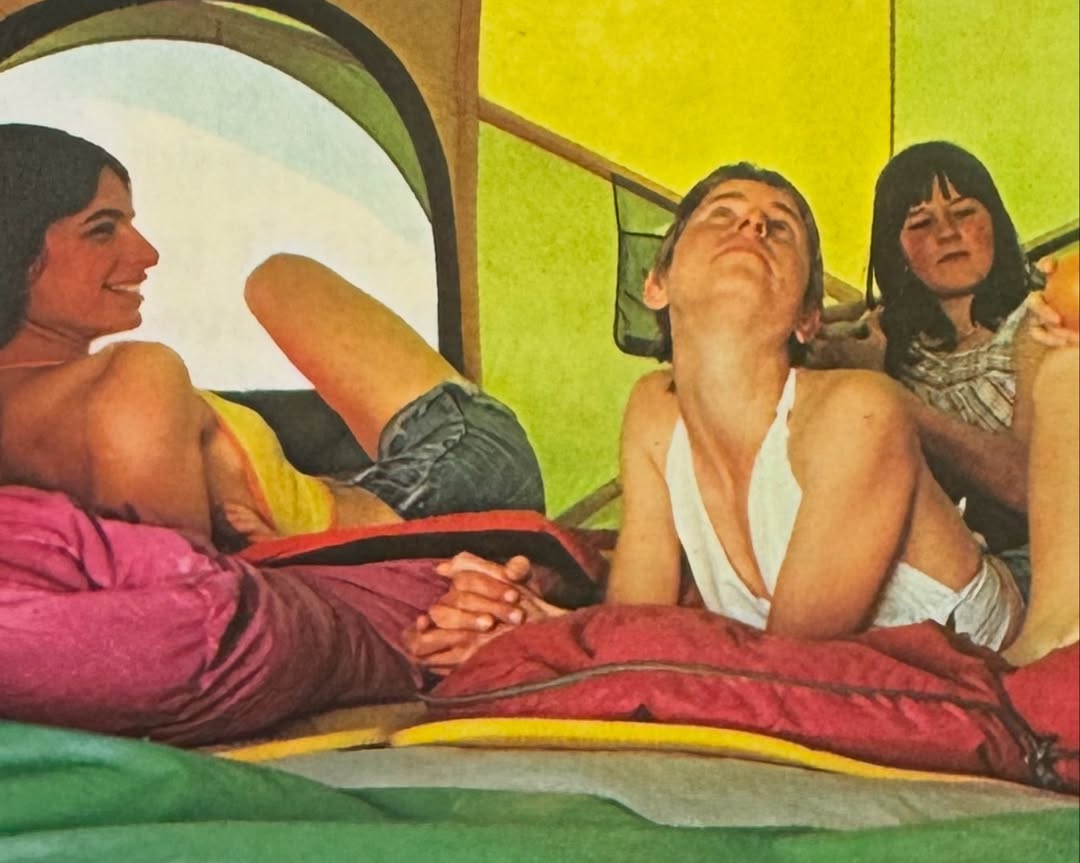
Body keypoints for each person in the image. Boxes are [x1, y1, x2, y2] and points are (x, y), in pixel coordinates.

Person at [406, 163, 1078, 673]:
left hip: (985, 628)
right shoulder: (652, 410)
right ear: (656, 284)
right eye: (722, 215)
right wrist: (524, 620)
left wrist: (555, 638)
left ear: (807, 317)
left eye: (778, 227)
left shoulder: (861, 409)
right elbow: (633, 622)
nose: (753, 227)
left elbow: (783, 664)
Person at [0, 123, 543, 548]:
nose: (148, 254)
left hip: (351, 478)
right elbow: (184, 586)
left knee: (272, 355)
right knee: (281, 279)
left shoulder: (45, 410)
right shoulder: (133, 378)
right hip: (448, 482)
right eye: (102, 229)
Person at [808, 141, 1079, 601]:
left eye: (964, 212)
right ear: (896, 249)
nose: (948, 233)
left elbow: (1031, 488)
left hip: (1044, 559)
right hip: (938, 559)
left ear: (995, 221)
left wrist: (885, 392)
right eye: (920, 223)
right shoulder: (888, 335)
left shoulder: (1038, 319)